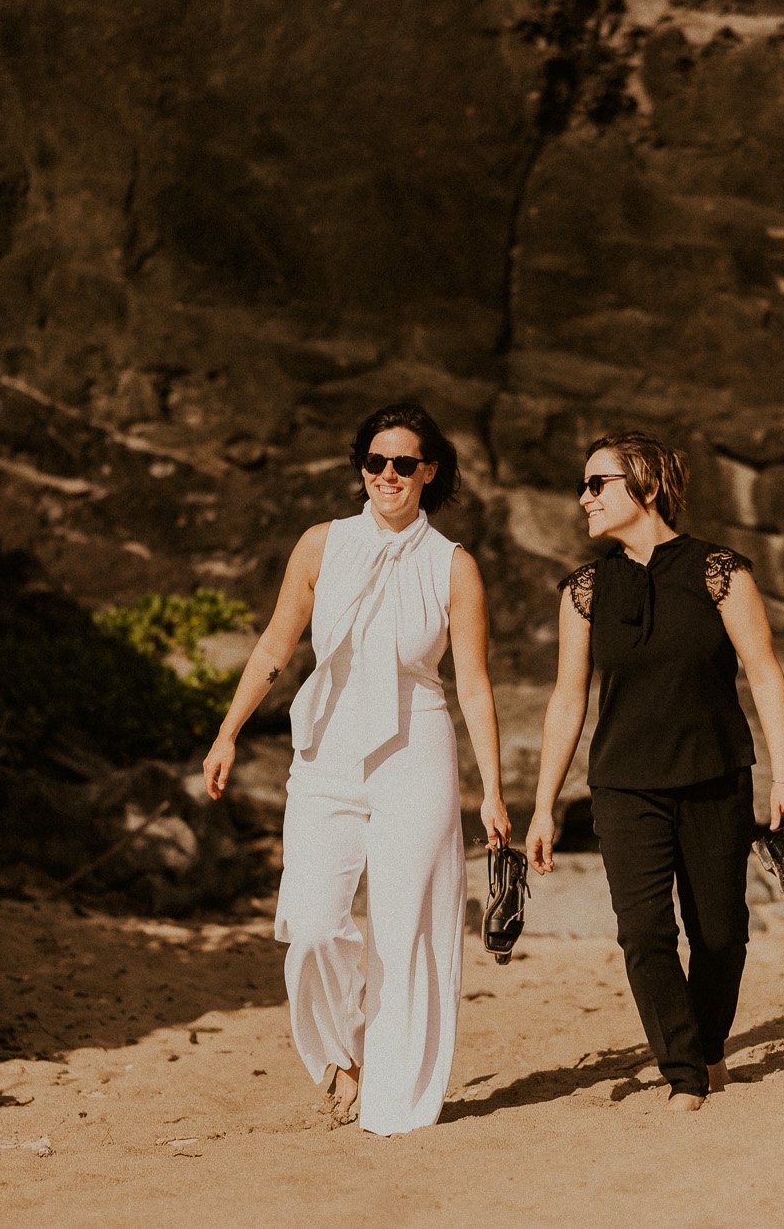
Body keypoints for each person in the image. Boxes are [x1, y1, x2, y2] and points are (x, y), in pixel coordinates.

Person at [201, 401, 508, 1135]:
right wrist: (227, 731)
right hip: (326, 757)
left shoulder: (453, 565)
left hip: (417, 752)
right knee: (311, 926)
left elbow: (473, 683)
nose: (388, 475)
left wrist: (494, 789)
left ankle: (394, 1102)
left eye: (404, 463)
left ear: (428, 471)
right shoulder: (321, 545)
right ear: (360, 468)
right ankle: (340, 1053)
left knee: (409, 930)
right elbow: (277, 643)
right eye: (375, 462)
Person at [524, 431, 784, 1111]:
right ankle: (684, 1071)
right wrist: (542, 803)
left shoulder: (722, 572)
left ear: (646, 487)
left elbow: (766, 674)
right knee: (645, 932)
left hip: (715, 775)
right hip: (624, 785)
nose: (584, 497)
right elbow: (567, 700)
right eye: (583, 484)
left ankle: (710, 1049)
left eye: (599, 483)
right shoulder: (584, 590)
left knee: (719, 932)